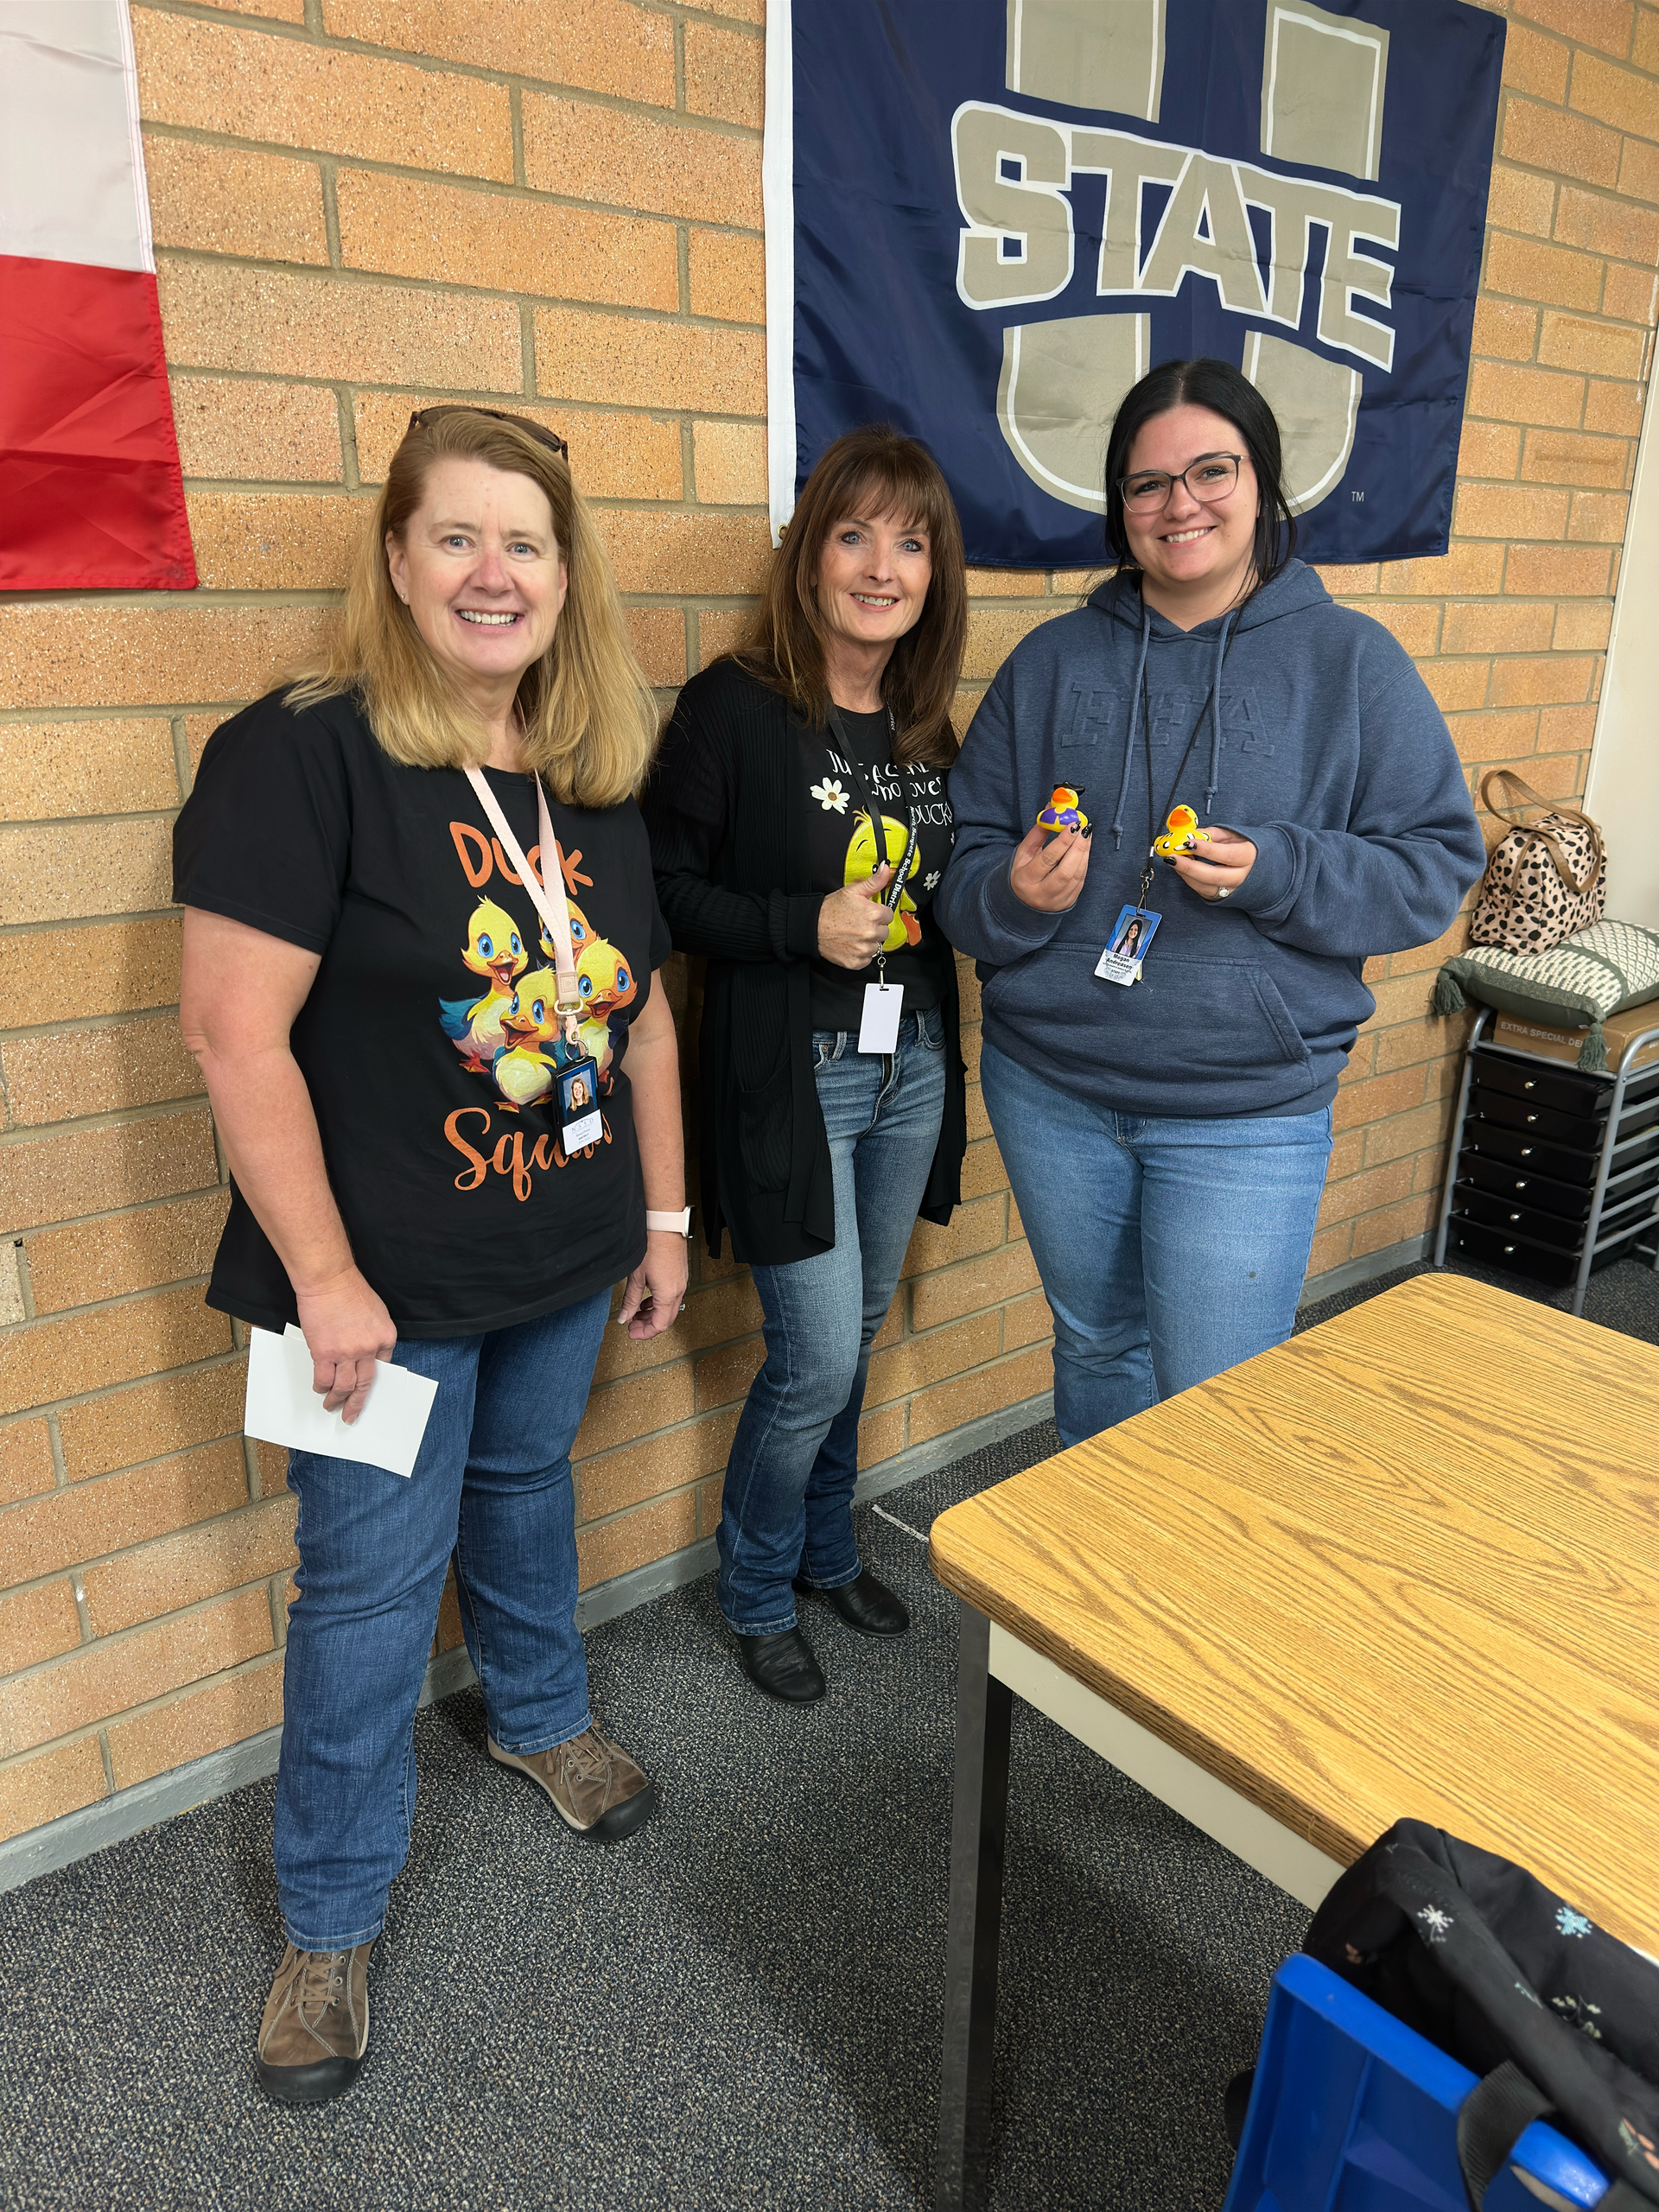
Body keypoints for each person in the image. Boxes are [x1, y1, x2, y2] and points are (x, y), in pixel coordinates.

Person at [174, 405, 690, 2105]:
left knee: (528, 1481)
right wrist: (323, 1276)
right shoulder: (300, 751)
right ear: (396, 562)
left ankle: (536, 1710)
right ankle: (325, 1917)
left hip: (561, 1245)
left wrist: (668, 1214)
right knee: (371, 1590)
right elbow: (235, 1036)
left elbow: (644, 1013)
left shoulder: (593, 763)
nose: (491, 570)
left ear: (566, 574)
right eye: (455, 536)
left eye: (524, 542)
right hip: (372, 1291)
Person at [934, 359, 1484, 1448]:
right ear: (1118, 508)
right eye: (1147, 484)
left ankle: (1189, 1614)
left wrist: (1280, 869)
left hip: (1246, 1112)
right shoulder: (1049, 664)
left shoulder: (1353, 664)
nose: (1179, 503)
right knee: (1095, 1346)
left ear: (1263, 483)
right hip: (1054, 1089)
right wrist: (1011, 892)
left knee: (1217, 1405)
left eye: (1211, 470)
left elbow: (1433, 863)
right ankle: (1089, 1599)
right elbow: (963, 873)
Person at [643, 425, 968, 1704]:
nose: (883, 565)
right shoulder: (737, 704)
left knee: (864, 1328)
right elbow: (663, 894)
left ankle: (832, 1549)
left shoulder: (932, 725)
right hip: (795, 1078)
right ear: (809, 553)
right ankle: (757, 1586)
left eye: (913, 539)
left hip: (912, 1071)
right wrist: (798, 926)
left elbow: (956, 894)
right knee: (817, 1355)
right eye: (855, 533)